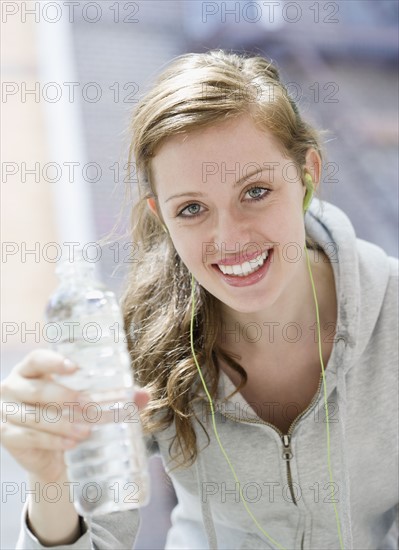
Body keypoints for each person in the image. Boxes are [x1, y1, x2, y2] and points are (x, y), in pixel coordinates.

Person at [2, 49, 398, 549]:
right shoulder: (135, 342)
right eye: (191, 209)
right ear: (161, 216)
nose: (230, 238)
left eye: (255, 192)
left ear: (306, 176)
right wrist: (48, 478)